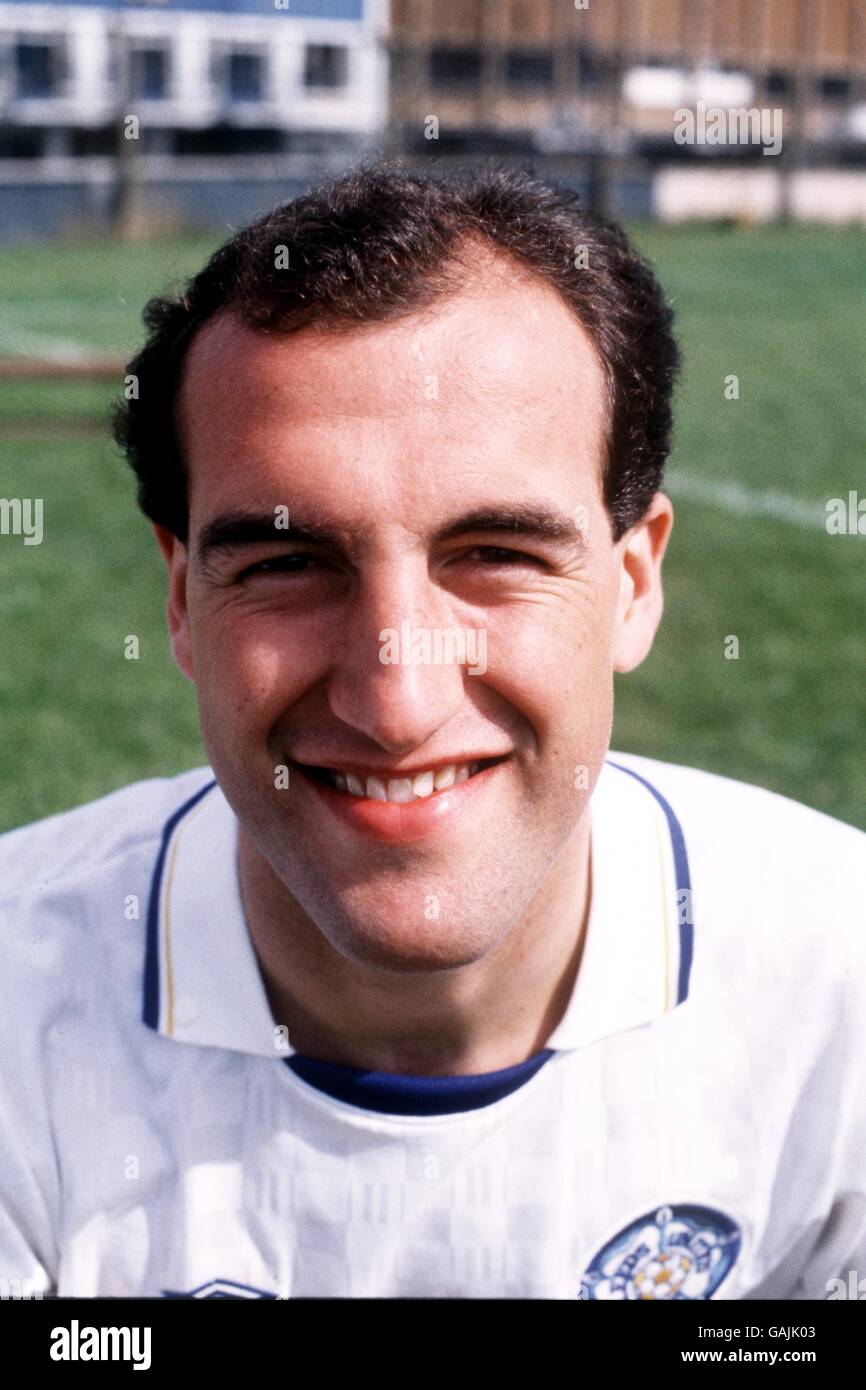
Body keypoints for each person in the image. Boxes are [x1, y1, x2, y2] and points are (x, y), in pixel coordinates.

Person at [1, 164, 863, 1300]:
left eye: (494, 555)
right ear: (180, 606)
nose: (396, 702)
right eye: (287, 564)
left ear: (632, 582)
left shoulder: (837, 984)